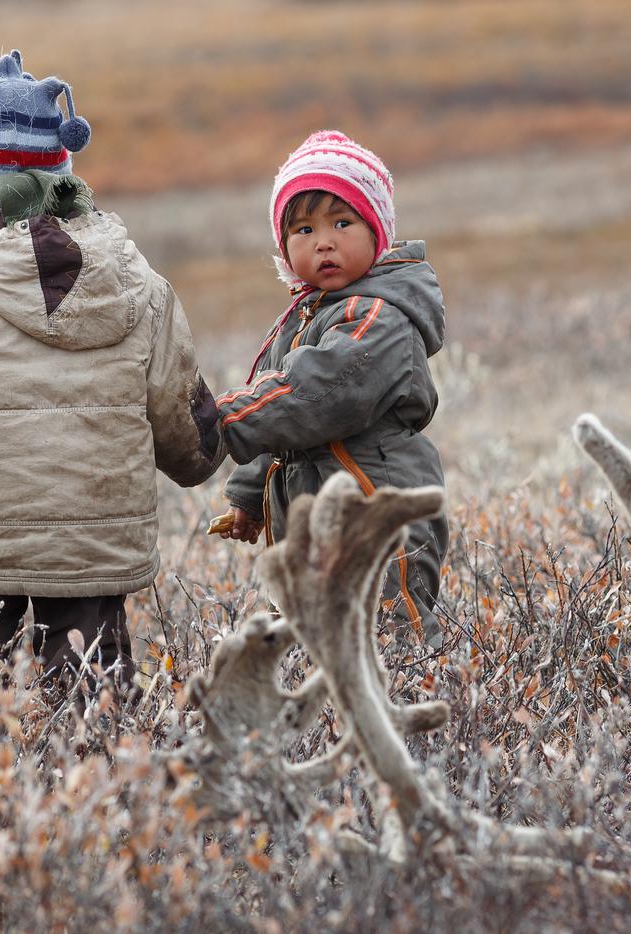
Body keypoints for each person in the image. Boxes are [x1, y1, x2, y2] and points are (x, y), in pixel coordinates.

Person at [0, 50, 224, 702]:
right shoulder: (138, 280)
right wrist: (203, 457)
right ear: (63, 174)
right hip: (92, 554)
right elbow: (188, 432)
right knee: (91, 716)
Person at [196, 130, 449, 646]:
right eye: (304, 229)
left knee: (388, 647)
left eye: (342, 222)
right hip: (307, 525)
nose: (323, 242)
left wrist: (224, 420)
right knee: (311, 646)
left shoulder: (378, 318)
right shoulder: (303, 315)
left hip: (377, 516)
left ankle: (426, 719)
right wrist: (250, 495)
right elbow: (274, 397)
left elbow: (311, 394)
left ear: (377, 231)